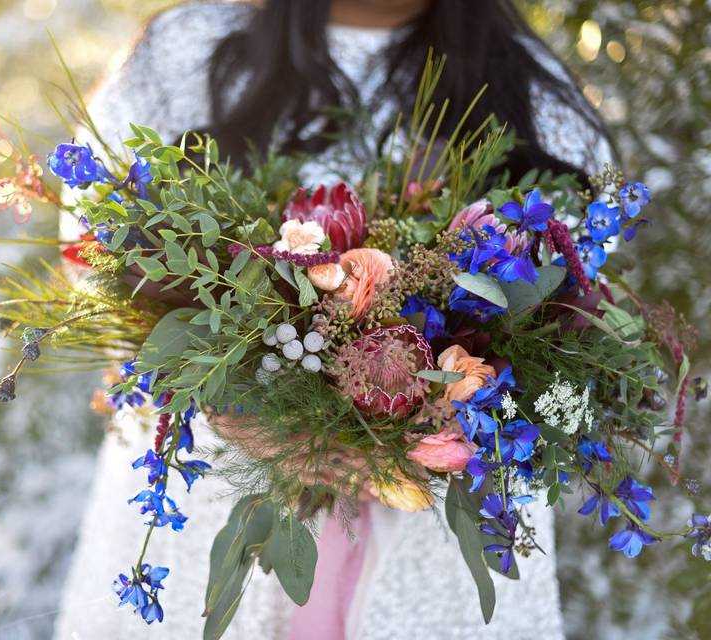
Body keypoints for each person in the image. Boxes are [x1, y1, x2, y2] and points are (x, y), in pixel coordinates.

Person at [53, 1, 612, 638]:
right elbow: (93, 244)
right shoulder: (193, 47)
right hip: (213, 483)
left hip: (437, 522)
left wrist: (423, 428)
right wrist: (227, 401)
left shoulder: (526, 83)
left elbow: (578, 296)